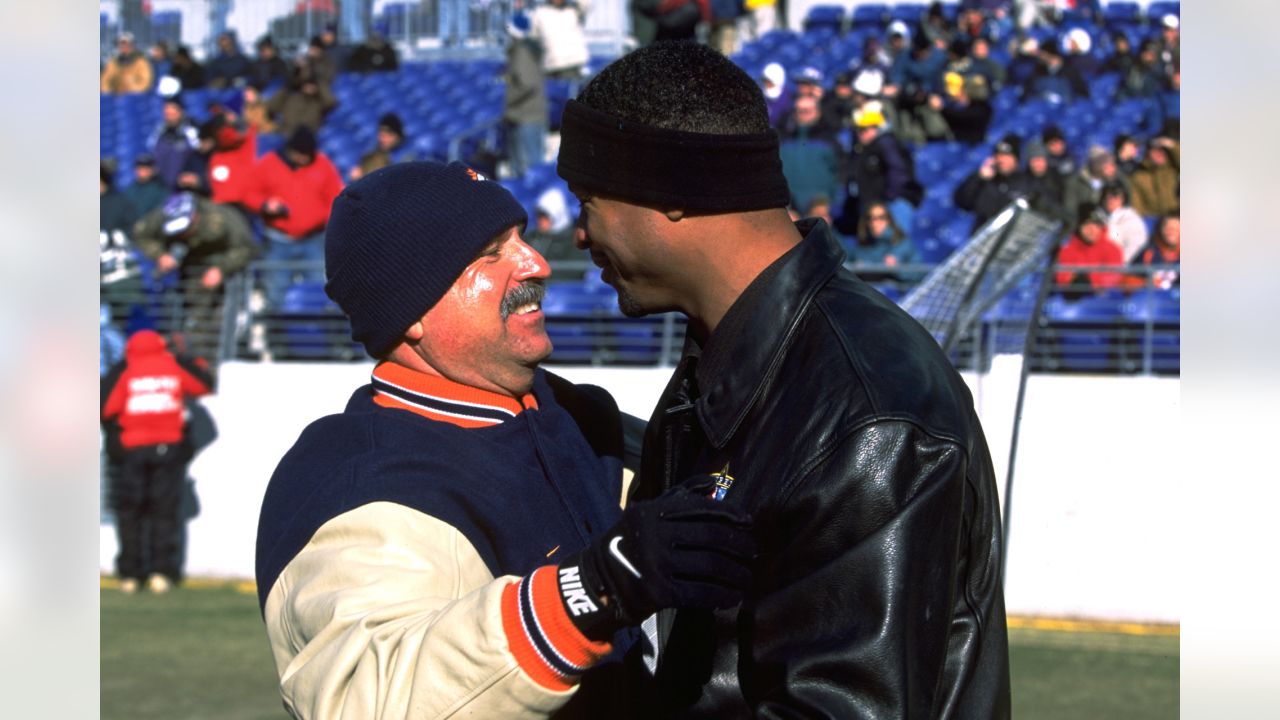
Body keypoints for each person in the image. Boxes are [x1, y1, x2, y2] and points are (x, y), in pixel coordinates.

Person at [557, 41, 1009, 718]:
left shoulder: (868, 415)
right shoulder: (731, 357)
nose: (579, 235)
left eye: (589, 201)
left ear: (673, 191)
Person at [255, 161, 756, 717]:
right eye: (490, 253)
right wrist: (590, 591)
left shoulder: (580, 415)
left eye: (521, 238)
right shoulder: (355, 479)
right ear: (412, 310)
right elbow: (371, 696)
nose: (536, 263)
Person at [101, 329, 214, 594]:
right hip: (168, 449)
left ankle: (130, 575)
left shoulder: (125, 370)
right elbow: (203, 384)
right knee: (164, 512)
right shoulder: (172, 365)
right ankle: (161, 573)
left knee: (131, 512)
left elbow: (106, 408)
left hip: (132, 451)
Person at [131, 192, 259, 361]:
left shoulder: (223, 216)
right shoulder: (162, 216)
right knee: (194, 321)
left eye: (184, 227)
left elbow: (246, 248)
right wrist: (160, 255)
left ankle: (219, 362)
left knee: (223, 321)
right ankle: (196, 363)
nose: (182, 233)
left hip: (226, 273)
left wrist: (221, 269)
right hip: (189, 273)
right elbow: (140, 234)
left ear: (195, 215)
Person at [247, 127, 345, 309]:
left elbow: (335, 197)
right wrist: (265, 204)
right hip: (279, 241)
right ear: (291, 151)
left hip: (313, 240)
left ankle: (318, 334)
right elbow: (250, 193)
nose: (304, 159)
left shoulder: (322, 164)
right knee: (275, 292)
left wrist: (318, 218)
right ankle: (274, 334)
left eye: (308, 154)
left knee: (320, 291)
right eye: (300, 154)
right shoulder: (269, 163)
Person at [847, 101, 923, 238]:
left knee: (894, 242)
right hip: (878, 204)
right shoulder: (866, 148)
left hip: (892, 203)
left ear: (876, 128)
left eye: (865, 129)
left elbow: (898, 173)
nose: (860, 134)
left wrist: (887, 199)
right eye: (858, 130)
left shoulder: (885, 144)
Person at [503, 11, 549, 179]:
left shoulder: (521, 51)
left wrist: (509, 101)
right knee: (532, 164)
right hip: (531, 113)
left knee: (528, 167)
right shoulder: (529, 49)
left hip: (525, 115)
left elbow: (528, 83)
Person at [954, 136, 1024, 232]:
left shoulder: (1026, 181)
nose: (1001, 159)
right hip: (985, 236)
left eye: (1007, 156)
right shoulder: (984, 180)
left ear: (1016, 160)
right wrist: (979, 178)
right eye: (998, 155)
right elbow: (962, 202)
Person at [1055, 205, 1125, 295]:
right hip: (1073, 299)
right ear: (1078, 226)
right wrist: (1073, 280)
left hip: (1103, 300)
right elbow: (1061, 278)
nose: (1091, 229)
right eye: (1086, 224)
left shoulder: (1113, 250)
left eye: (1096, 224)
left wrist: (1090, 281)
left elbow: (1115, 278)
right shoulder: (1067, 250)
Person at [266, 64, 338, 139]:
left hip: (307, 138)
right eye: (307, 84)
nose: (309, 87)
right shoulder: (290, 98)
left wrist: (319, 82)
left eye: (313, 85)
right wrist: (288, 86)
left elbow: (331, 102)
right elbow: (272, 107)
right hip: (286, 135)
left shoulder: (318, 103)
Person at [531, 0, 592, 80]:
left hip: (571, 65)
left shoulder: (574, 10)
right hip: (549, 67)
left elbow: (585, 3)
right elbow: (533, 38)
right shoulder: (539, 13)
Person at [350, 112, 414, 182]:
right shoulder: (374, 150)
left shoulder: (406, 157)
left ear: (397, 135)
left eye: (387, 135)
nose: (383, 139)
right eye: (381, 135)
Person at [1129, 135, 1179, 219]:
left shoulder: (1172, 168)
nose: (1160, 154)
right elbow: (1137, 206)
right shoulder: (1138, 177)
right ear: (1147, 154)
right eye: (1155, 151)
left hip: (1177, 215)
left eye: (1163, 151)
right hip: (1154, 220)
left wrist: (1171, 145)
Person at [1100, 181, 1148, 262]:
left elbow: (1135, 248)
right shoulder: (1096, 217)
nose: (1110, 199)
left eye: (1115, 195)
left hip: (1122, 266)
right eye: (1106, 196)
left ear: (1123, 198)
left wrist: (1117, 264)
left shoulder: (1132, 220)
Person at [1129, 213, 1179, 289]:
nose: (1171, 232)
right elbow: (1126, 280)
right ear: (1161, 230)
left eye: (1176, 229)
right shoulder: (1148, 253)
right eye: (1168, 228)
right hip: (1152, 298)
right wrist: (1145, 282)